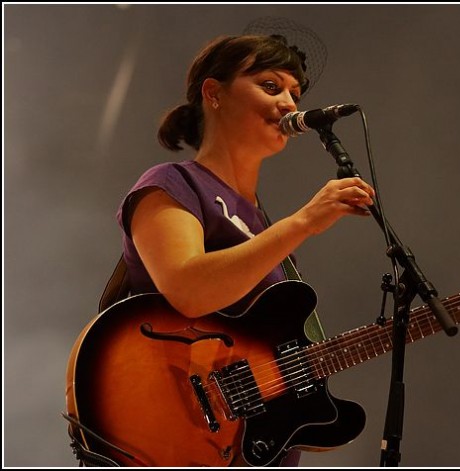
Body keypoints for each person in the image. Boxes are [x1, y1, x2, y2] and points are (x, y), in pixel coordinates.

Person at [68, 22, 375, 467]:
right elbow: (189, 289)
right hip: (177, 429)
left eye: (295, 94)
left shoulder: (262, 223)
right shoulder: (172, 183)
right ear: (214, 93)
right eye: (270, 86)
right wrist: (306, 220)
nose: (289, 103)